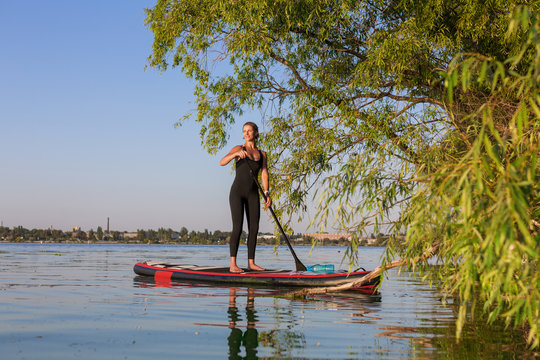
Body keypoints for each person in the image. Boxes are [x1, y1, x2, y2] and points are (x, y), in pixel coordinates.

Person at [220, 122, 272, 273]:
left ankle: (251, 263)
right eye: (244, 131)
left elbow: (264, 173)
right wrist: (235, 155)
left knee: (254, 228)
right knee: (237, 227)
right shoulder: (238, 148)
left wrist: (267, 193)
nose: (247, 133)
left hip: (253, 193)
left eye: (250, 131)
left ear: (256, 133)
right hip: (237, 193)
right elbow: (222, 162)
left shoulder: (262, 154)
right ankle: (233, 264)